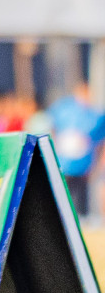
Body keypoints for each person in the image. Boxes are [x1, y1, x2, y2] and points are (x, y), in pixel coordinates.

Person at [48, 83, 104, 217]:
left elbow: (99, 143)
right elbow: (53, 127)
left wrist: (95, 165)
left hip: (83, 165)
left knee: (81, 201)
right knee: (64, 197)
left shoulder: (95, 115)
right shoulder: (64, 109)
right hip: (65, 163)